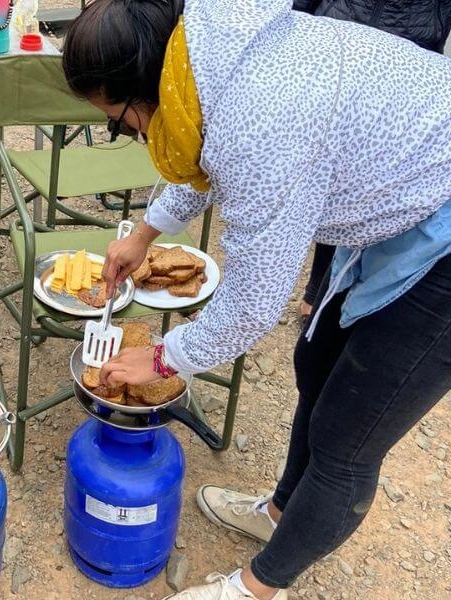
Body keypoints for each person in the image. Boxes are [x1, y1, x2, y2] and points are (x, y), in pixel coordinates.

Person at [63, 0, 451, 598]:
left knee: (350, 433)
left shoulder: (259, 119)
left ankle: (255, 588)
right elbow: (199, 154)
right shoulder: (205, 56)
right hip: (405, 195)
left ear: (145, 87)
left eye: (119, 121)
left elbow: (253, 302)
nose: (133, 135)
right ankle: (278, 513)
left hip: (440, 220)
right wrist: (142, 235)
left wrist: (164, 358)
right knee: (316, 364)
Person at [295, 0, 451, 326]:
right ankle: (315, 288)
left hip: (409, 65)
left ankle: (339, 294)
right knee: (325, 184)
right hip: (336, 48)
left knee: (372, 194)